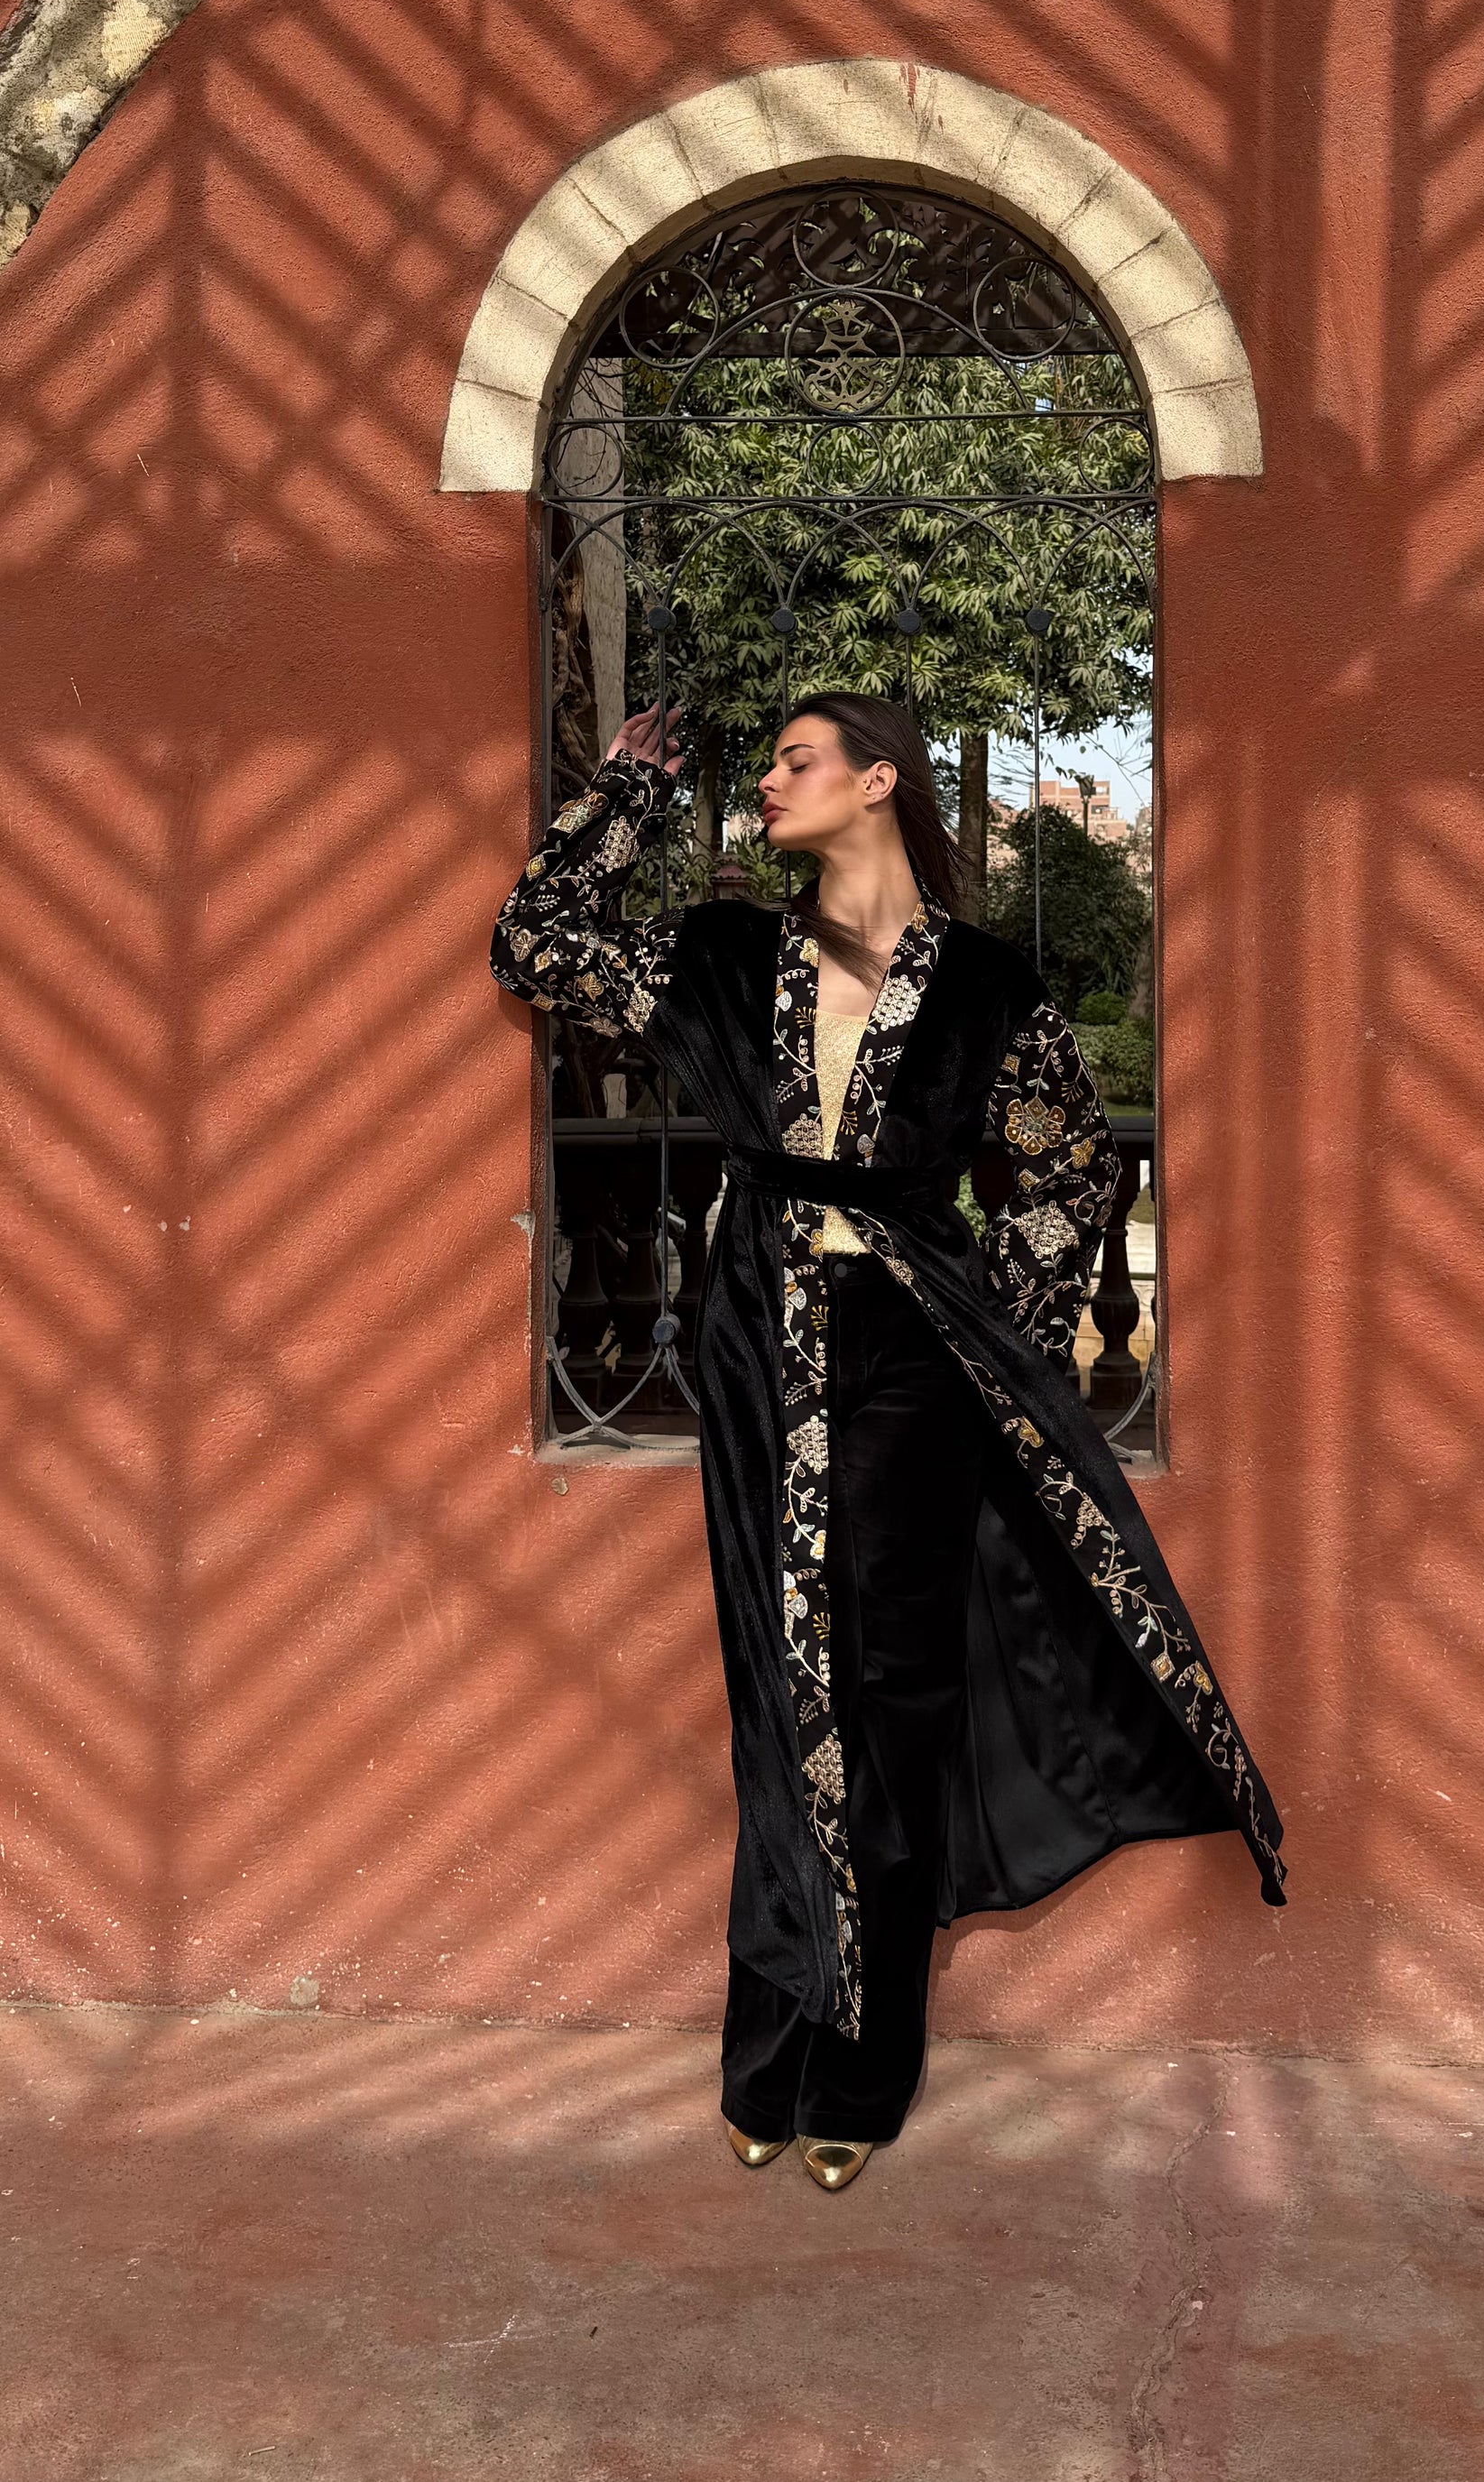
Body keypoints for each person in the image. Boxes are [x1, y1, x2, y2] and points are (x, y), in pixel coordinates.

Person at [491, 692, 1286, 2191]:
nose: (766, 783)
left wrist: (998, 1337)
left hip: (916, 1356)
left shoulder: (986, 988)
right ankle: (771, 2045)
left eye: (794, 761)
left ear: (877, 782)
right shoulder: (726, 956)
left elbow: (1068, 1167)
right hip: (758, 1344)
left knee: (895, 1690)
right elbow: (535, 946)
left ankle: (865, 2062)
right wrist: (623, 803)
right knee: (781, 1677)